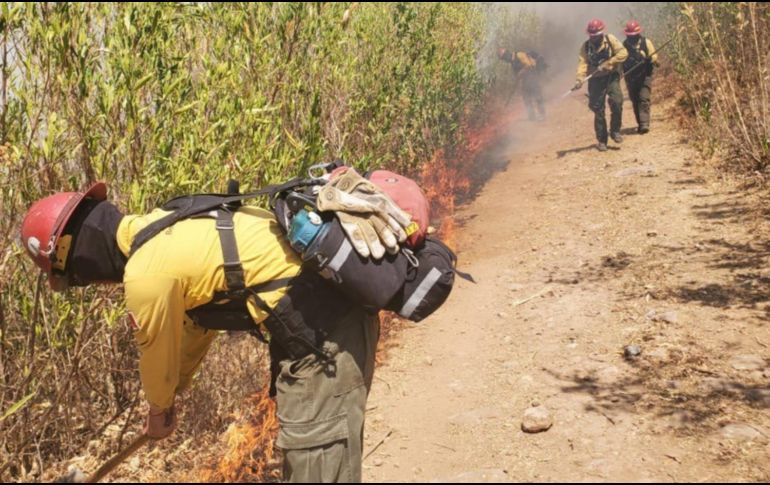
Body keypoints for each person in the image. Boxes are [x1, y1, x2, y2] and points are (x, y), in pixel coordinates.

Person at [19, 178, 408, 482]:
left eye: (75, 276)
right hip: (324, 331)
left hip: (325, 336)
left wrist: (158, 408)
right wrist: (174, 395)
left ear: (79, 255)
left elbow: (156, 350)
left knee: (319, 461)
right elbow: (195, 326)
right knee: (326, 459)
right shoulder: (162, 224)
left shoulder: (146, 271)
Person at [574, 19, 628, 152]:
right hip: (596, 80)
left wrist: (609, 62)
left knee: (617, 102)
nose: (594, 37)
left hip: (611, 77)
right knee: (598, 110)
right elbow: (582, 64)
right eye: (592, 35)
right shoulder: (585, 47)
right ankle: (602, 140)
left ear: (601, 32)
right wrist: (579, 79)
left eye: (596, 34)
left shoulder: (610, 40)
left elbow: (623, 53)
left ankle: (615, 131)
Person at [622, 20, 658, 134]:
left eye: (634, 35)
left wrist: (649, 59)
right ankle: (640, 122)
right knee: (635, 100)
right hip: (631, 78)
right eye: (630, 35)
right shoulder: (623, 46)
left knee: (644, 99)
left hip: (644, 76)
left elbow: (655, 56)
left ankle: (644, 124)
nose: (632, 37)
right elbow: (620, 60)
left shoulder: (646, 42)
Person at [498, 47, 548, 121]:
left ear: (507, 54)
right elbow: (517, 75)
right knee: (526, 99)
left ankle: (542, 114)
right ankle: (532, 117)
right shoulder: (512, 62)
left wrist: (521, 72)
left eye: (504, 57)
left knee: (537, 96)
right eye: (503, 58)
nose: (505, 60)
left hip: (532, 77)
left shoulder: (519, 55)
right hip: (525, 81)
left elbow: (529, 65)